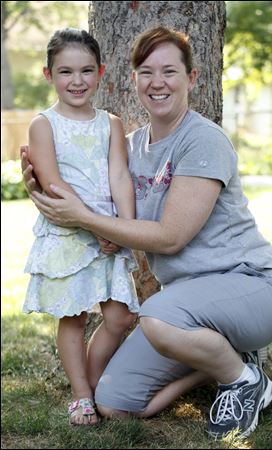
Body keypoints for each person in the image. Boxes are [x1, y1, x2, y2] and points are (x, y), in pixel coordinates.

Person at [21, 26, 272, 439]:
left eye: (169, 71)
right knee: (114, 403)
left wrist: (87, 219)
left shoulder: (203, 140)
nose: (157, 83)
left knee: (154, 319)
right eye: (146, 72)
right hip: (184, 308)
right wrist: (39, 186)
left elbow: (170, 237)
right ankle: (228, 362)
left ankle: (241, 382)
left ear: (192, 78)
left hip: (249, 287)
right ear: (133, 79)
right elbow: (94, 192)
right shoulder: (128, 145)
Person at [21, 28, 140, 427]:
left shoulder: (111, 123)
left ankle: (90, 382)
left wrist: (122, 228)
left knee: (119, 317)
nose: (77, 81)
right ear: (48, 74)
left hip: (109, 234)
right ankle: (81, 395)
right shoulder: (44, 124)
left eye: (86, 70)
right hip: (71, 235)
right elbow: (53, 181)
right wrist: (96, 229)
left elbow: (120, 174)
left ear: (101, 71)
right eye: (66, 71)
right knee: (73, 317)